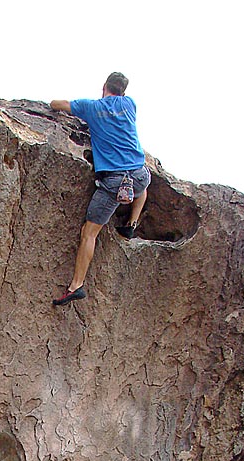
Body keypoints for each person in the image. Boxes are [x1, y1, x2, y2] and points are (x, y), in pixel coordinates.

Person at [50, 72, 150, 305]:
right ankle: (131, 224)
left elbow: (57, 104)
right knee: (143, 183)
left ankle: (76, 285)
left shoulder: (90, 107)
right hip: (138, 175)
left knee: (89, 233)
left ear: (104, 86)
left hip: (114, 183)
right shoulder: (130, 104)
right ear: (123, 92)